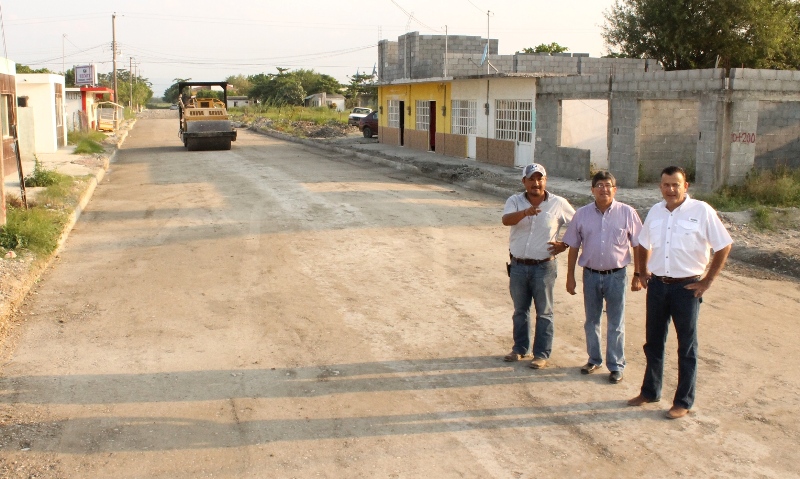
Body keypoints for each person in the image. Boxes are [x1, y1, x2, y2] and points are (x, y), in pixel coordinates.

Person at [627, 165, 732, 419]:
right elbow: (642, 243)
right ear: (660, 187)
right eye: (666, 185)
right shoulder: (655, 211)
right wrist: (641, 273)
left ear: (685, 186)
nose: (671, 189)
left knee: (686, 346)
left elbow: (723, 245)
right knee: (653, 342)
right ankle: (650, 391)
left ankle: (683, 401)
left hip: (687, 288)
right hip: (658, 286)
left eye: (676, 184)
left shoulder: (702, 211)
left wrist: (707, 281)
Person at [562, 171, 643, 384]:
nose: (603, 189)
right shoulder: (582, 214)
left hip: (616, 276)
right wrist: (570, 277)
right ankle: (594, 359)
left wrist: (638, 274)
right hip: (590, 275)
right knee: (592, 321)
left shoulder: (627, 213)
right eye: (599, 185)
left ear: (615, 190)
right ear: (592, 190)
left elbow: (638, 245)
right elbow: (572, 247)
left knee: (616, 322)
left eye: (608, 185)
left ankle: (616, 365)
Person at [502, 163, 575, 369]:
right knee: (520, 310)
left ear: (545, 180)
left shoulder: (558, 203)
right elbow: (506, 220)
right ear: (524, 181)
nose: (536, 183)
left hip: (544, 267)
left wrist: (565, 244)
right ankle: (519, 349)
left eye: (540, 178)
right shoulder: (514, 201)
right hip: (518, 266)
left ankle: (541, 354)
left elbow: (579, 225)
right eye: (531, 179)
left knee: (544, 312)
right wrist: (525, 213)